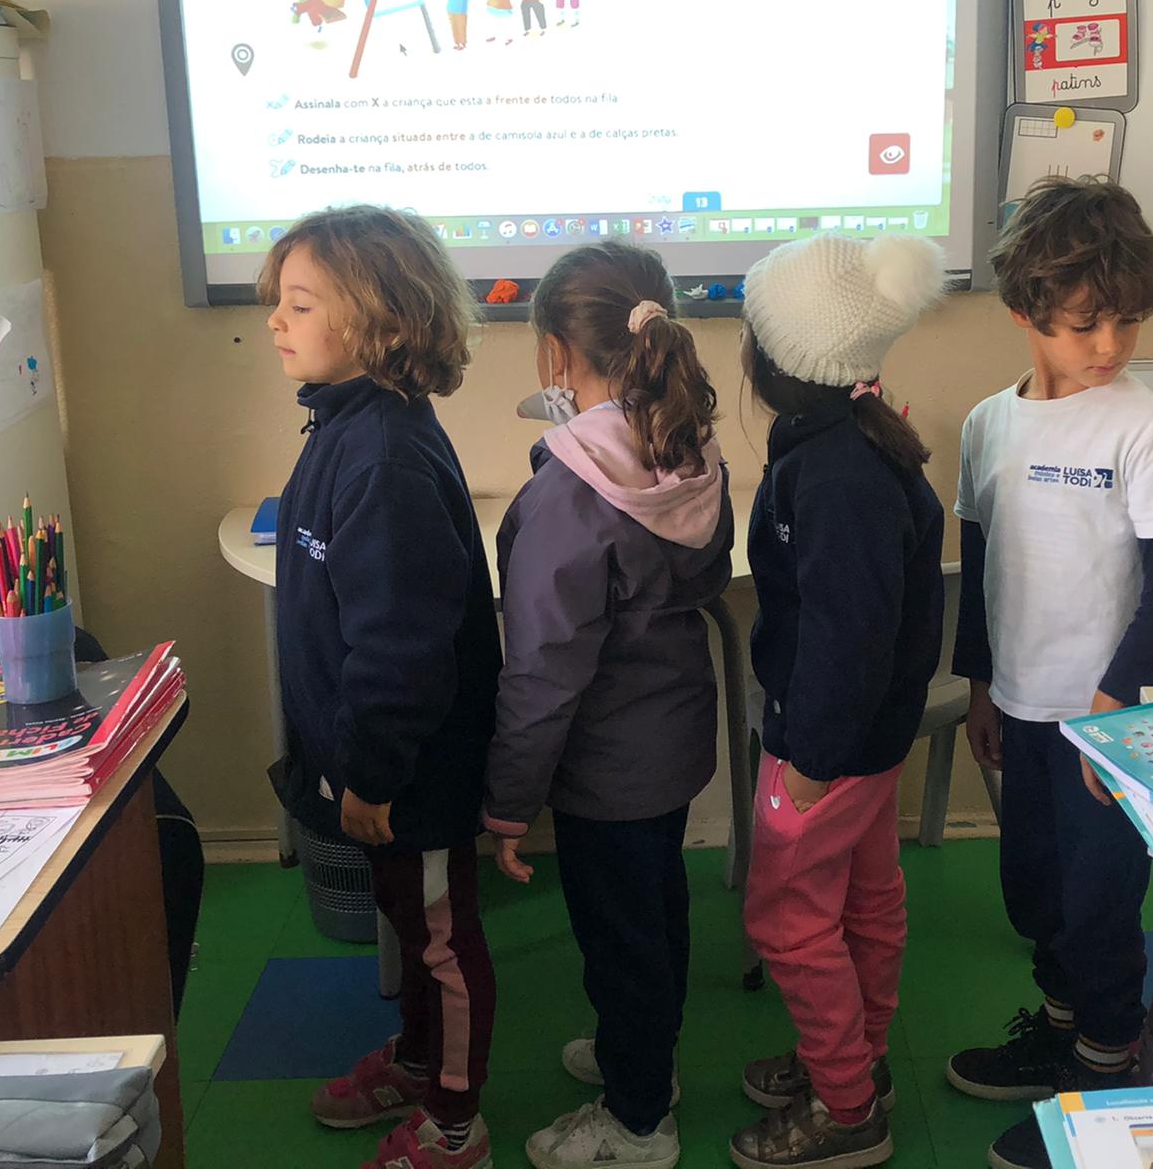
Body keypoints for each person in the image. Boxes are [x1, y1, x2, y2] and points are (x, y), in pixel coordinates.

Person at [945, 177, 1153, 1169]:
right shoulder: (989, 424)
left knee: (1101, 904)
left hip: (1105, 722)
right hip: (1018, 704)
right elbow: (980, 568)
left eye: (1127, 321)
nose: (1109, 345)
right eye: (1085, 323)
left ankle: (1107, 1067)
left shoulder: (1148, 426)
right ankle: (1061, 1033)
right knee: (1034, 892)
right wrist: (979, 687)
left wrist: (1112, 713)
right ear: (1026, 312)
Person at [262, 206, 502, 1169]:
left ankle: (456, 1126)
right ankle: (417, 1062)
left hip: (411, 774)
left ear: (381, 320)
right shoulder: (343, 424)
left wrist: (372, 774)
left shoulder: (386, 458)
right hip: (378, 768)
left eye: (300, 303)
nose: (275, 321)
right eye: (279, 302)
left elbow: (401, 650)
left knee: (440, 940)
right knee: (409, 922)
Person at [483, 242, 732, 1169]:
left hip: (604, 768)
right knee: (655, 911)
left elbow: (541, 672)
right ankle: (646, 1054)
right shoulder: (687, 447)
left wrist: (509, 802)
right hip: (669, 745)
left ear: (555, 353)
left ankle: (638, 1120)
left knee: (620, 939)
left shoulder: (569, 495)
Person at [728, 232, 948, 1169]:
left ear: (781, 360)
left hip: (829, 747)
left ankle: (847, 1107)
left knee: (786, 918)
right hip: (865, 740)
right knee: (865, 896)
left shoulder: (837, 475)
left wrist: (809, 763)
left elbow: (848, 635)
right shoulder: (846, 439)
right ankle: (857, 1061)